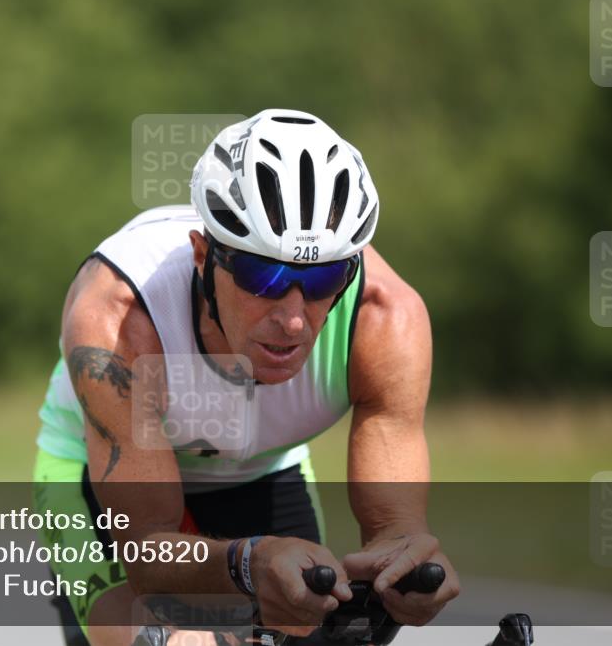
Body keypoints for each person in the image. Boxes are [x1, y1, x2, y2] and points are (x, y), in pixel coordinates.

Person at [33, 109, 459, 646]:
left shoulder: (384, 319)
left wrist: (404, 565)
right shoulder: (120, 318)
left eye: (325, 278)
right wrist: (249, 565)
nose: (294, 319)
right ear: (203, 256)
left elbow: (394, 529)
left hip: (260, 471)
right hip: (97, 479)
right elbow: (148, 554)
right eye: (265, 276)